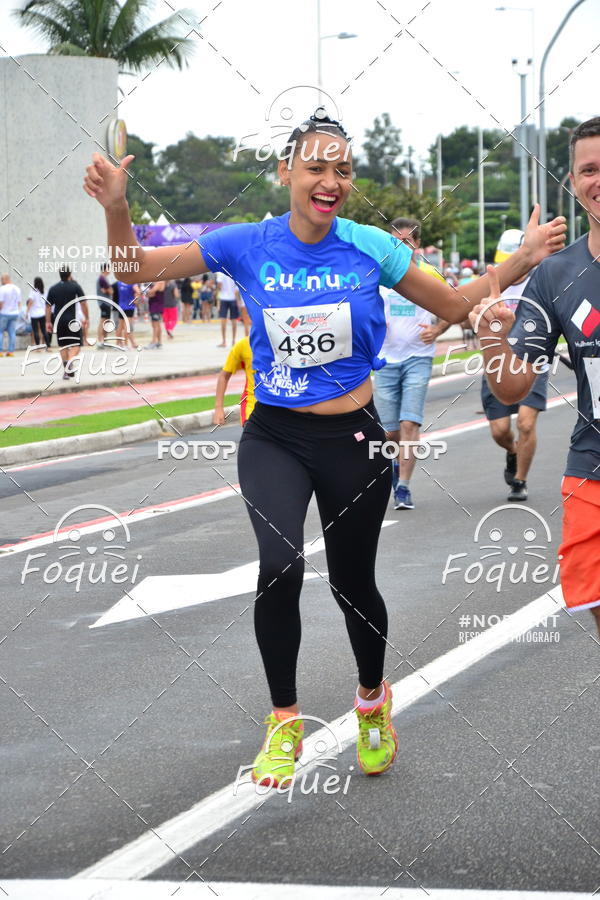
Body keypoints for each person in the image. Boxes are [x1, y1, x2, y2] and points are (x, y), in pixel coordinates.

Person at [84, 110, 565, 784]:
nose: (331, 180)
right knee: (278, 567)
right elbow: (135, 270)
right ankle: (284, 721)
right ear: (286, 172)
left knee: (351, 581)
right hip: (275, 436)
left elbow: (455, 307)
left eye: (342, 169)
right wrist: (117, 206)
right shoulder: (246, 243)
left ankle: (371, 701)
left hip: (355, 438)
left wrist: (518, 261)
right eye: (316, 166)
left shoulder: (370, 246)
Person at [469, 116, 600, 634]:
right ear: (572, 181)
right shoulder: (555, 275)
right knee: (592, 597)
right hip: (594, 463)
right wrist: (490, 335)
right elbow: (513, 385)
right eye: (589, 169)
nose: (599, 180)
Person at [374, 217, 451, 510]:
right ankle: (394, 469)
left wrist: (439, 329)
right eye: (396, 241)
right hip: (386, 359)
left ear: (417, 244)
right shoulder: (381, 273)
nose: (402, 246)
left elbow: (457, 304)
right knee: (389, 433)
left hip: (418, 356)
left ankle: (404, 488)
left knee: (409, 423)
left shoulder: (430, 274)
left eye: (407, 241)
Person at [480, 231, 548, 502]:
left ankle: (520, 480)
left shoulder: (540, 282)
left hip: (533, 359)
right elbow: (463, 315)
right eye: (506, 259)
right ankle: (512, 451)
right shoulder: (490, 282)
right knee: (499, 431)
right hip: (496, 362)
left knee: (526, 423)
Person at [46, 267, 88, 378]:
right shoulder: (75, 286)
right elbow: (83, 303)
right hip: (73, 320)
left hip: (59, 320)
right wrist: (87, 317)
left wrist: (47, 322)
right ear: (70, 274)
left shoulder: (53, 288)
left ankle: (66, 371)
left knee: (63, 345)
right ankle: (70, 361)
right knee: (77, 345)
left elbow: (48, 306)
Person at [213, 335, 255, 426]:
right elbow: (223, 376)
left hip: (280, 408)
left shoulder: (285, 344)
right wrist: (218, 407)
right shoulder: (244, 344)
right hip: (251, 408)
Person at [0, 273, 22, 356]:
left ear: (6, 279)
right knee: (12, 332)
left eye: (1, 279)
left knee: (0, 332)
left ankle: (0, 351)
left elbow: (1, 303)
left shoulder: (2, 289)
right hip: (14, 313)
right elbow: (19, 303)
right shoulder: (17, 289)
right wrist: (17, 311)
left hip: (4, 313)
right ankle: (11, 351)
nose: (1, 281)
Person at [216, 271, 240, 346]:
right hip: (233, 297)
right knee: (234, 320)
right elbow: (237, 288)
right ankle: (233, 340)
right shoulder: (233, 271)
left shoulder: (220, 273)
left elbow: (219, 285)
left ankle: (224, 341)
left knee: (223, 320)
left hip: (223, 297)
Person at [26, 276, 51, 350]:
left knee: (36, 330)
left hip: (34, 314)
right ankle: (48, 346)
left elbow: (30, 302)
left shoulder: (33, 291)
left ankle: (38, 347)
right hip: (42, 313)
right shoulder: (44, 292)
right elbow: (47, 303)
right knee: (44, 330)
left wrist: (27, 312)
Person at [114, 279, 139, 349]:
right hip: (129, 307)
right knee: (126, 327)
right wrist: (136, 300)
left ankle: (117, 344)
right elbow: (138, 291)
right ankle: (125, 345)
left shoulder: (119, 283)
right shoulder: (132, 282)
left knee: (120, 326)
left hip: (121, 306)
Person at [96, 262, 113, 346]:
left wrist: (107, 290)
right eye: (109, 268)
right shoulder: (102, 278)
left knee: (106, 321)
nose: (110, 270)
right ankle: (100, 341)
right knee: (103, 321)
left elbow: (109, 290)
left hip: (107, 303)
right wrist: (108, 290)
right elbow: (111, 291)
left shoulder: (104, 278)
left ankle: (105, 341)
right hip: (104, 303)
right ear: (105, 269)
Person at [146, 281, 164, 348]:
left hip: (156, 307)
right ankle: (159, 342)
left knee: (155, 325)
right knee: (157, 325)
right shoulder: (155, 283)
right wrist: (149, 293)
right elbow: (149, 294)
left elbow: (151, 292)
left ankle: (154, 342)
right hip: (153, 306)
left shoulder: (160, 282)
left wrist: (147, 292)